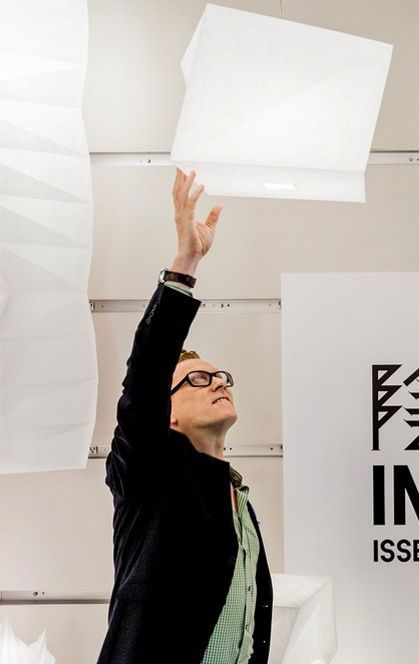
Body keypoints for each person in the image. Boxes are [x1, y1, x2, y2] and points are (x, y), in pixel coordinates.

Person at [98, 170, 272, 664]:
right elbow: (146, 375)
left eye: (220, 376)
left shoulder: (236, 496)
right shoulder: (148, 471)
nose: (217, 382)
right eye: (197, 379)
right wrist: (185, 264)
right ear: (167, 413)